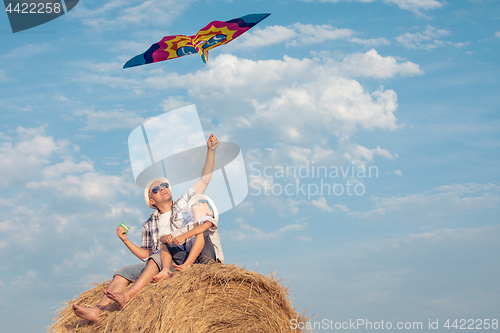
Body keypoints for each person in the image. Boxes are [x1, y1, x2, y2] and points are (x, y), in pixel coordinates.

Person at [72, 134, 218, 323]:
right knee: (123, 271)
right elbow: (146, 255)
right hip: (158, 261)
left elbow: (205, 180)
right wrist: (125, 240)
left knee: (158, 256)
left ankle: (129, 295)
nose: (162, 188)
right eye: (156, 189)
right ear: (151, 201)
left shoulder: (184, 205)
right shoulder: (149, 224)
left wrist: (210, 151)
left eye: (164, 185)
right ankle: (97, 311)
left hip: (183, 259)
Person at [152, 193, 224, 282]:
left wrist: (183, 236)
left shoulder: (209, 220)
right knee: (165, 244)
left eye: (202, 202)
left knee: (200, 231)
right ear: (192, 215)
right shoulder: (188, 228)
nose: (196, 202)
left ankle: (187, 265)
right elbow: (161, 238)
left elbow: (203, 227)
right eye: (194, 203)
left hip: (209, 260)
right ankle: (165, 269)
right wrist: (167, 238)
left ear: (209, 212)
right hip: (194, 262)